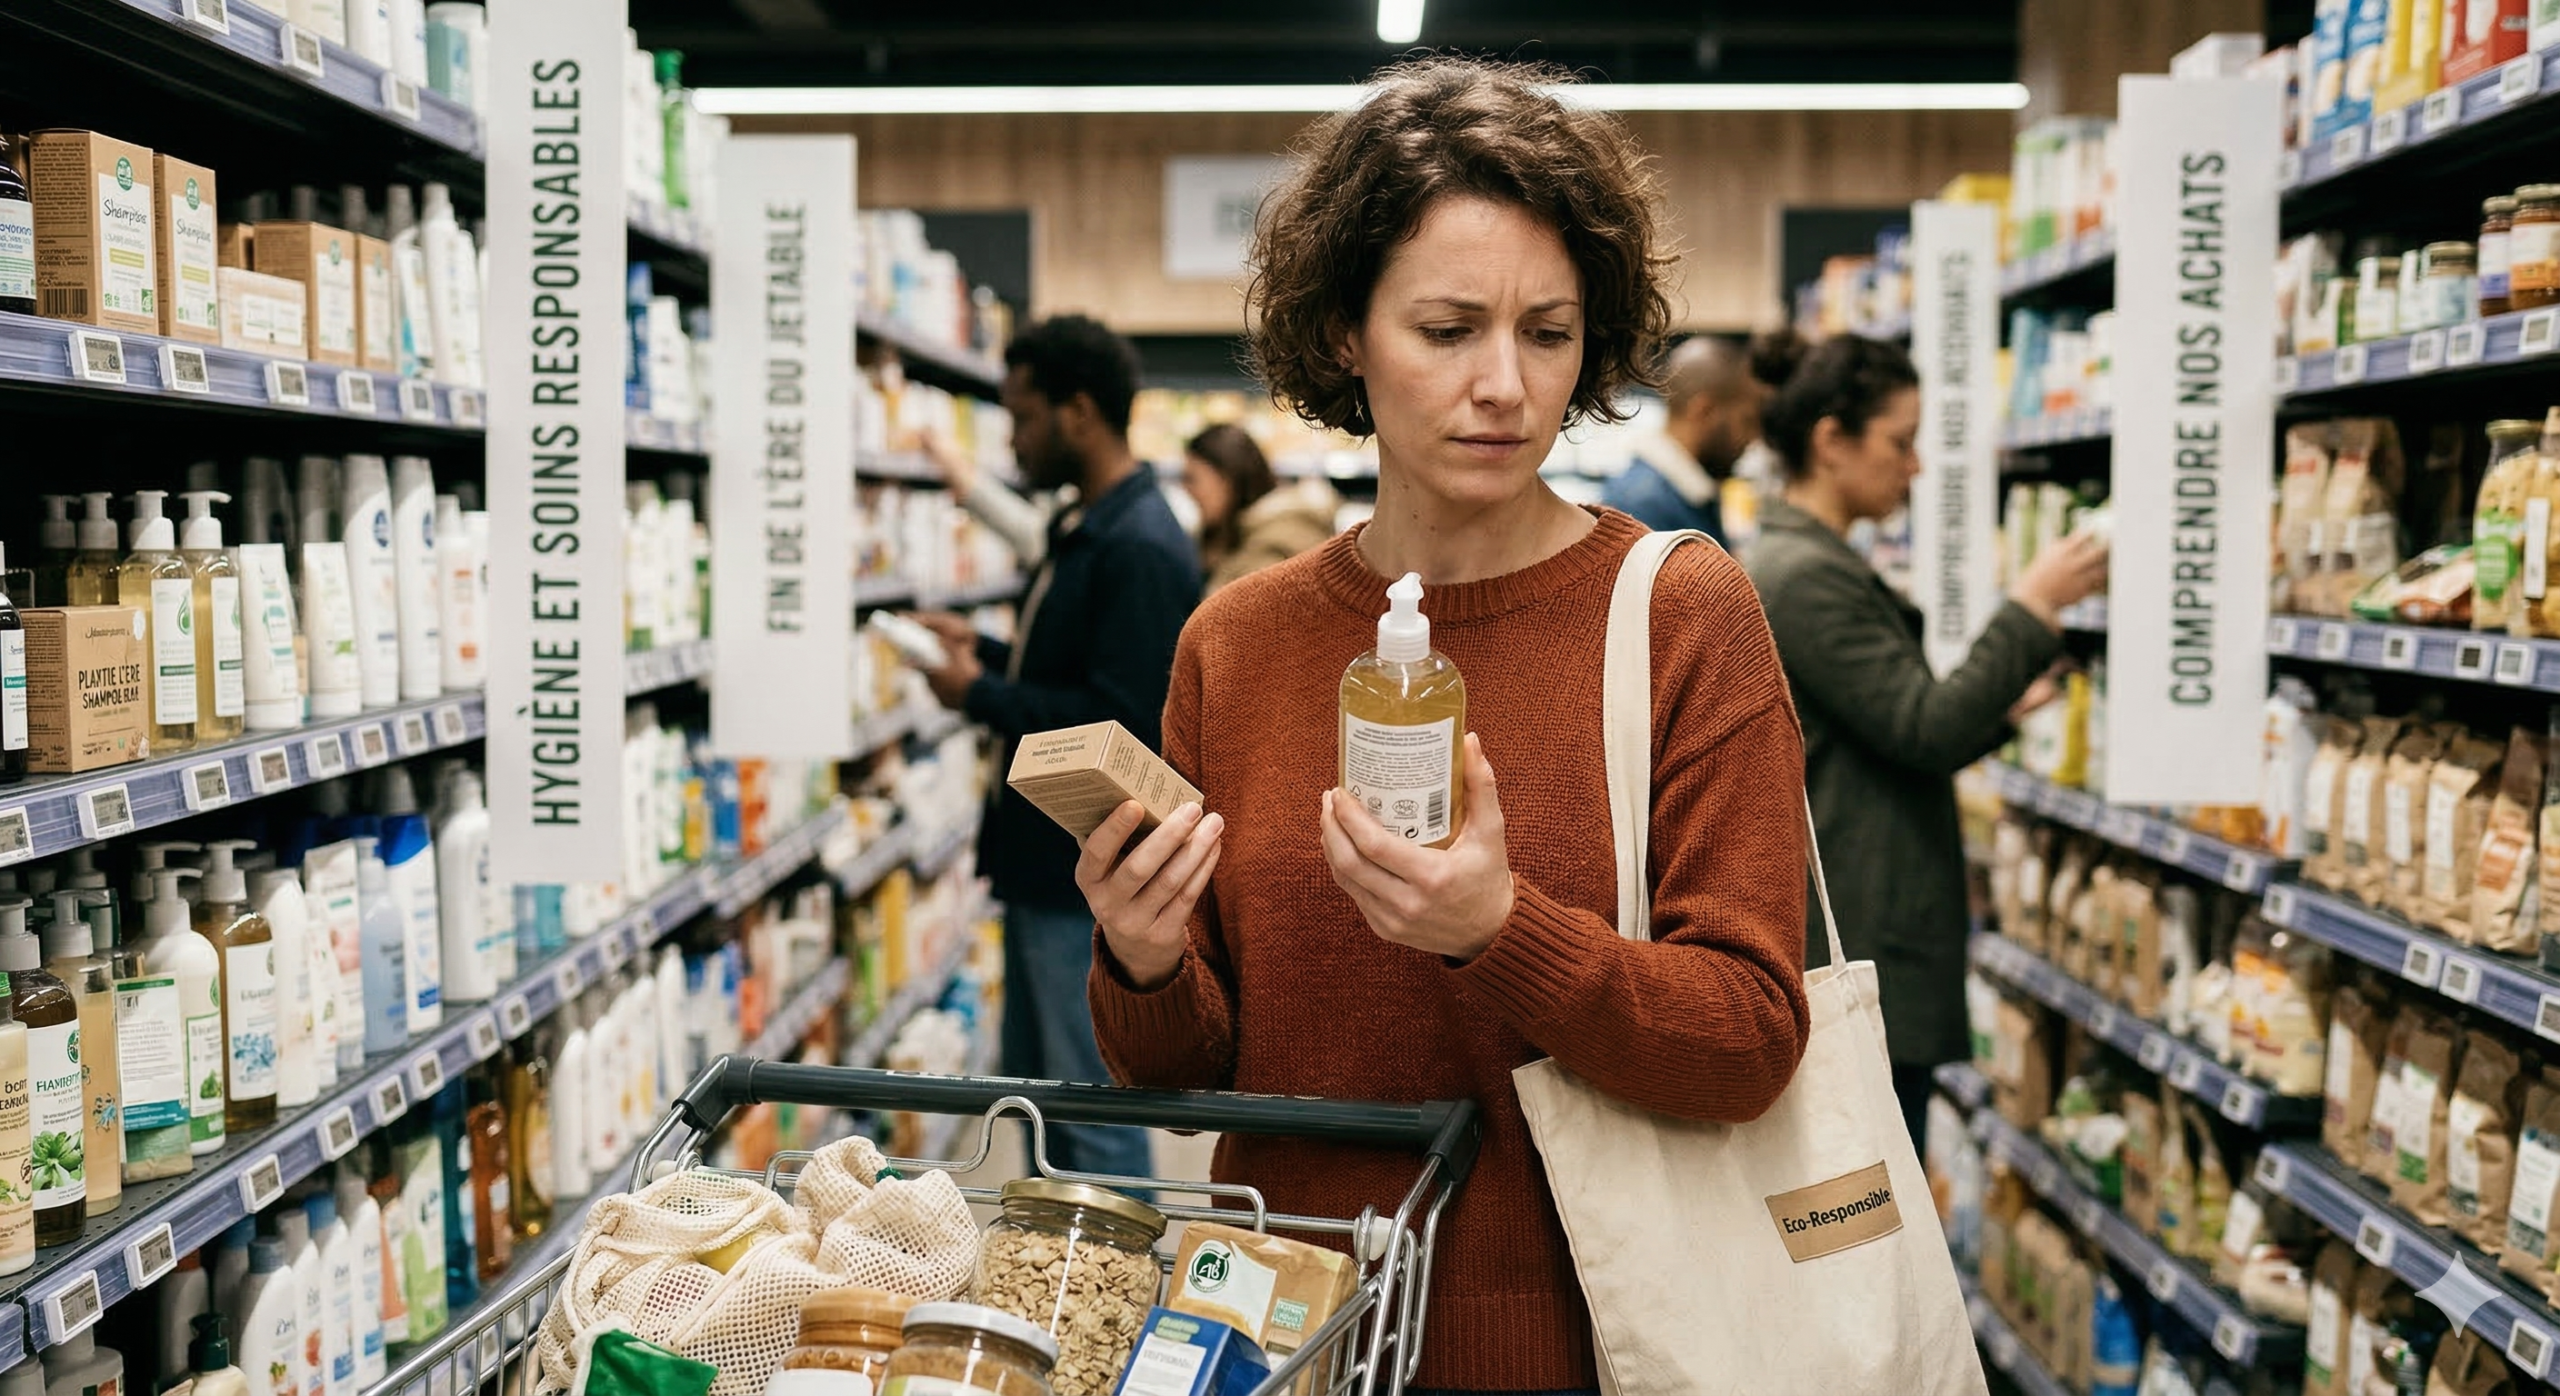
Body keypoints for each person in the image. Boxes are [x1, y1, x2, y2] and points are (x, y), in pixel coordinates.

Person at [1076, 58, 1812, 1395]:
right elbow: (1188, 1068)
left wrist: (1499, 933)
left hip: (1582, 1343)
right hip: (1273, 1334)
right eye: (1449, 328)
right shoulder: (1234, 642)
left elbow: (1753, 1034)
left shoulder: (1680, 614)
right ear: (1347, 335)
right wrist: (1136, 956)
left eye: (1548, 331)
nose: (1506, 388)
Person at [1741, 333, 2108, 1151]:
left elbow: (1888, 738)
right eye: (1900, 443)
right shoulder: (1801, 577)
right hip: (1861, 940)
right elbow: (1922, 726)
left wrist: (2000, 714)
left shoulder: (1813, 561)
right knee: (1870, 1221)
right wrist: (2031, 607)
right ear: (1832, 442)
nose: (1913, 468)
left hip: (1872, 921)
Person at [909, 313, 1201, 1180]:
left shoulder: (1138, 546)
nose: (1013, 439)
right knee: (1040, 1103)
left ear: (1079, 412)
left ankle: (1121, 1290)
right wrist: (981, 654)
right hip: (1048, 866)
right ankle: (1061, 1283)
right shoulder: (1089, 527)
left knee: (1092, 1108)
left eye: (1024, 417)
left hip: (1087, 872)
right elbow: (1071, 666)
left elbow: (1119, 722)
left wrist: (981, 694)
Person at [1597, 332, 1787, 541]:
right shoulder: (1643, 506)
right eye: (1746, 421)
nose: (1752, 439)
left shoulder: (1684, 495)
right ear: (1704, 411)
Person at [1181, 423, 1340, 592]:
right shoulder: (1230, 536)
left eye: (1192, 478)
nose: (1185, 488)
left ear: (1228, 479)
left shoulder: (1274, 545)